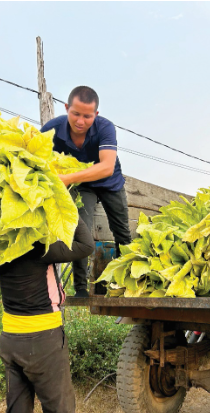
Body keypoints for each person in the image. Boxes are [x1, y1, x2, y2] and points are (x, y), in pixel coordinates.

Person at [0, 217, 95, 413]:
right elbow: (86, 245)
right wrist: (68, 208)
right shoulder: (41, 249)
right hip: (43, 342)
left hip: (10, 340)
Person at [41, 86, 132, 297]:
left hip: (110, 184)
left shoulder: (105, 128)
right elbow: (35, 154)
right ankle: (81, 288)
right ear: (66, 108)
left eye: (87, 116)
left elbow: (107, 166)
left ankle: (125, 286)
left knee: (122, 233)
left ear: (96, 115)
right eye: (75, 114)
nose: (80, 121)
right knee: (79, 230)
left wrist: (68, 178)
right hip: (83, 186)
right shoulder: (52, 129)